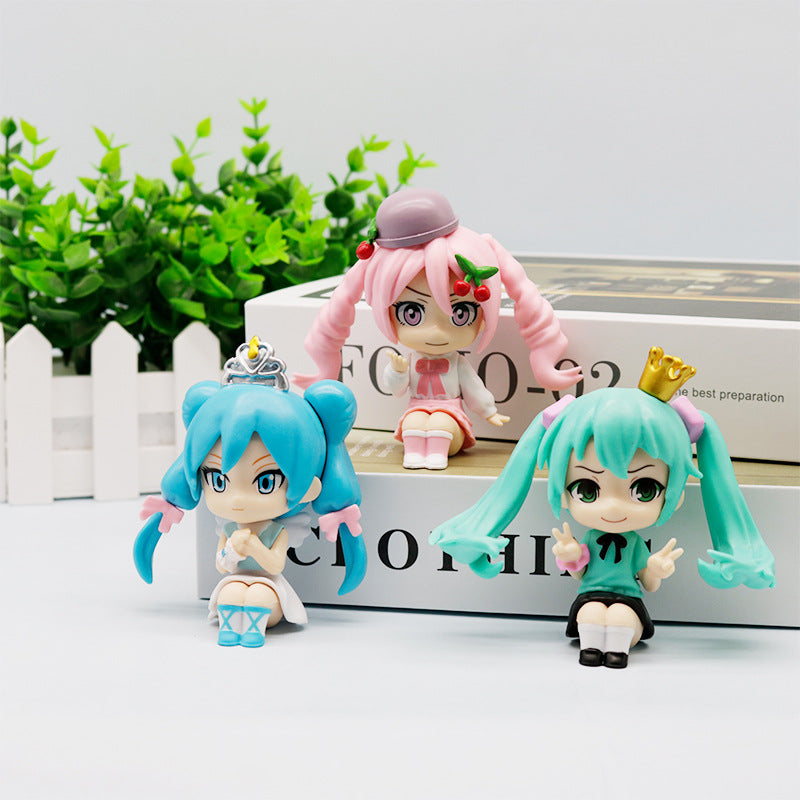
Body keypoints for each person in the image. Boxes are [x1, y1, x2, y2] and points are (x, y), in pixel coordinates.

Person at [430, 347, 775, 667]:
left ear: (675, 491)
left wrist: (655, 569)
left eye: (644, 489)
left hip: (629, 601)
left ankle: (617, 651)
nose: (612, 507)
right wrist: (570, 555)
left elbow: (647, 582)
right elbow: (581, 573)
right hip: (589, 596)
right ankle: (592, 648)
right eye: (587, 489)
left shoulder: (634, 545)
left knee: (622, 616)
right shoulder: (592, 539)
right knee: (590, 613)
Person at [295, 188, 580, 469]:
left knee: (441, 424)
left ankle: (435, 456)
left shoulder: (457, 365)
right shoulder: (411, 361)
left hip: (451, 414)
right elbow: (395, 389)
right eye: (412, 313)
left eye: (461, 313)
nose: (435, 332)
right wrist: (397, 371)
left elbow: (473, 388)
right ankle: (415, 456)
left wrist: (489, 411)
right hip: (416, 408)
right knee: (414, 423)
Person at [135, 338, 366, 647]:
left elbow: (275, 565)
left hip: (270, 585)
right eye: (218, 481)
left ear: (309, 487)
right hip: (236, 578)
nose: (237, 499)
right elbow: (221, 565)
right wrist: (231, 552)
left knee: (260, 595)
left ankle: (253, 630)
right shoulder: (229, 529)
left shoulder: (275, 532)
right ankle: (231, 630)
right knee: (230, 592)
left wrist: (254, 546)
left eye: (266, 482)